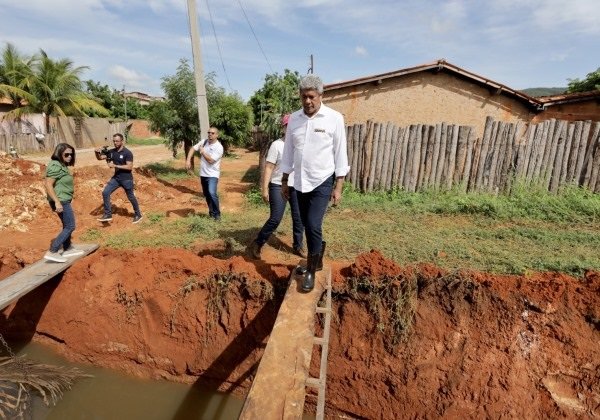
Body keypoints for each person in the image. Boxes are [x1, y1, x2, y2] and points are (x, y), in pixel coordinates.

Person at [281, 75, 350, 292]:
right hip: (299, 181)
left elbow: (340, 152)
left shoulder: (334, 118)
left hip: (322, 180)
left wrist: (339, 185)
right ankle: (316, 261)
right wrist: (285, 179)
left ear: (321, 95)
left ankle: (310, 269)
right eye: (304, 97)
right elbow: (288, 150)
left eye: (312, 96)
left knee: (312, 224)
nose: (308, 101)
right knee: (302, 223)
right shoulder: (294, 119)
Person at [250, 114, 305, 259]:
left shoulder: (301, 145)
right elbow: (268, 167)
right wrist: (265, 188)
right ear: (284, 127)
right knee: (275, 218)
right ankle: (258, 242)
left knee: (299, 218)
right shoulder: (277, 145)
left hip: (296, 186)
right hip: (277, 185)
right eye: (288, 126)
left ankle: (298, 246)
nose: (292, 129)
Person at [44, 143, 84, 262]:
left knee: (66, 225)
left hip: (63, 199)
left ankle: (67, 248)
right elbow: (48, 184)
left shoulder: (62, 165)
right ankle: (53, 251)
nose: (70, 156)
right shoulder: (55, 165)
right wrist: (57, 202)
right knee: (71, 226)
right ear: (59, 153)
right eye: (66, 154)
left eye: (71, 154)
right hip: (60, 200)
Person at [95, 133, 143, 223]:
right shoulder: (112, 152)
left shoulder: (127, 153)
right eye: (114, 141)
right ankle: (108, 214)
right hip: (116, 178)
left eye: (117, 141)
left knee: (131, 197)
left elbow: (129, 167)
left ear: (122, 141)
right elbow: (100, 158)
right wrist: (96, 152)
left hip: (127, 179)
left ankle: (138, 214)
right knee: (105, 192)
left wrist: (115, 165)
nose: (115, 143)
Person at [186, 127, 224, 221]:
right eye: (209, 133)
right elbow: (193, 149)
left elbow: (211, 160)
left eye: (212, 133)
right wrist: (188, 160)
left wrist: (203, 152)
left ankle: (217, 214)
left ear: (217, 135)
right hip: (203, 174)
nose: (210, 134)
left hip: (213, 175)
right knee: (207, 194)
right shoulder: (204, 142)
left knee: (212, 193)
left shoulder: (219, 147)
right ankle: (211, 213)